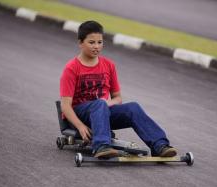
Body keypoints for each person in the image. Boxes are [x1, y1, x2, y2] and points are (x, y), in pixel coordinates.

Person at [60, 20, 177, 159]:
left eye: (100, 42)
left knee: (133, 107)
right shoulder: (72, 68)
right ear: (80, 43)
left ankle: (160, 146)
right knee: (99, 104)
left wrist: (106, 103)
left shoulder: (109, 65)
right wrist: (80, 126)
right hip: (81, 114)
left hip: (102, 111)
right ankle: (102, 146)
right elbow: (65, 106)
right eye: (91, 42)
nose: (96, 46)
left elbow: (117, 98)